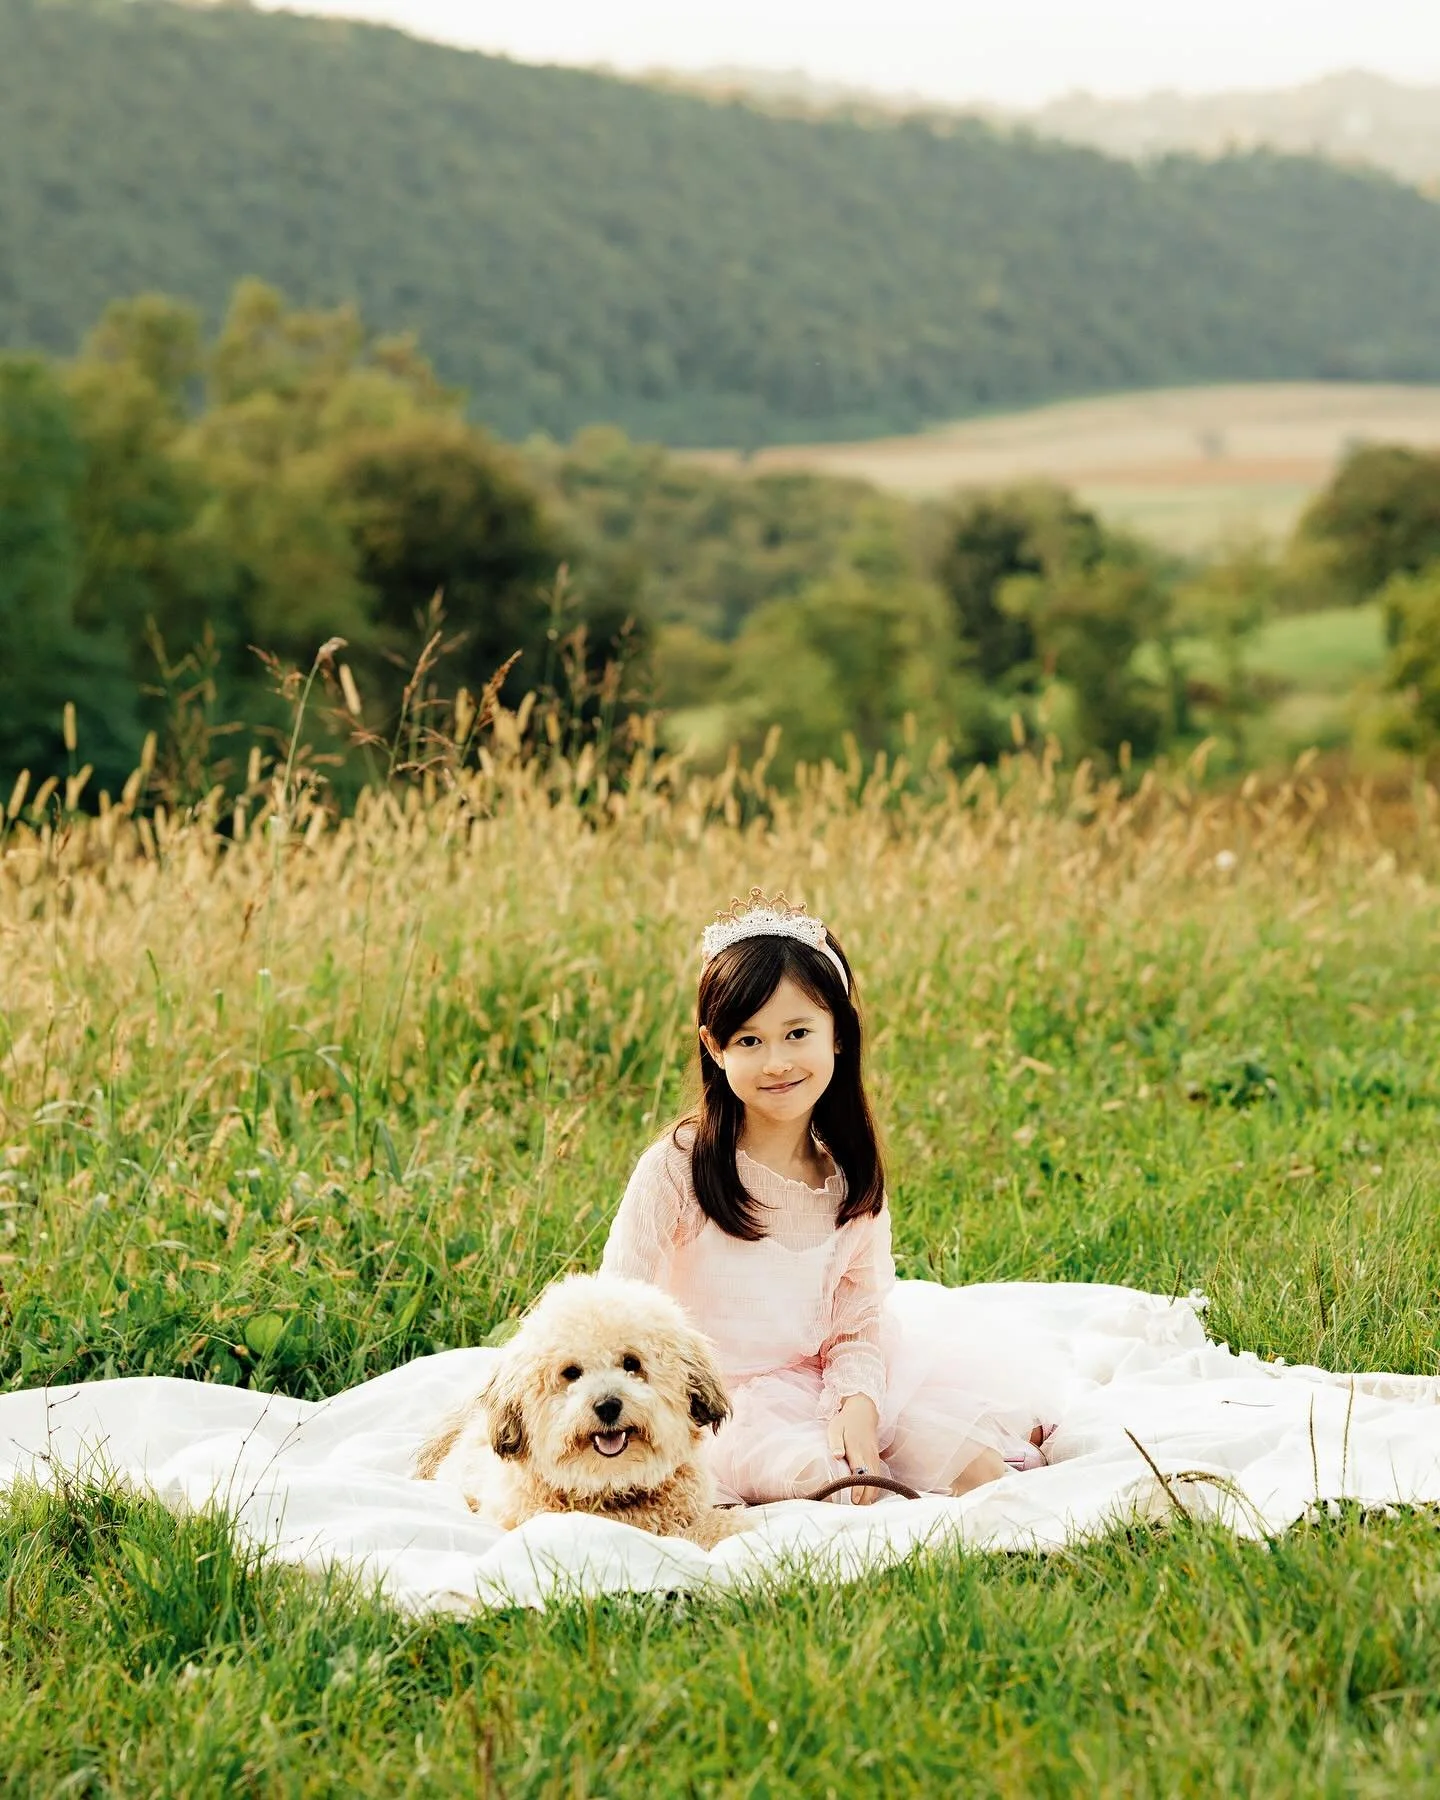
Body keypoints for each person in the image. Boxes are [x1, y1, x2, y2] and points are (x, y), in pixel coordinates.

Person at [601, 888, 1057, 1506]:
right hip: (717, 1400)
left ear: (838, 1034)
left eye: (797, 1032)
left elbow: (857, 1318)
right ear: (715, 1047)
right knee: (836, 1484)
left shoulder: (848, 1176)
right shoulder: (677, 1167)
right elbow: (617, 1306)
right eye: (749, 1041)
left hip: (826, 1377)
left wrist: (856, 1403)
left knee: (968, 1462)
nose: (777, 1061)